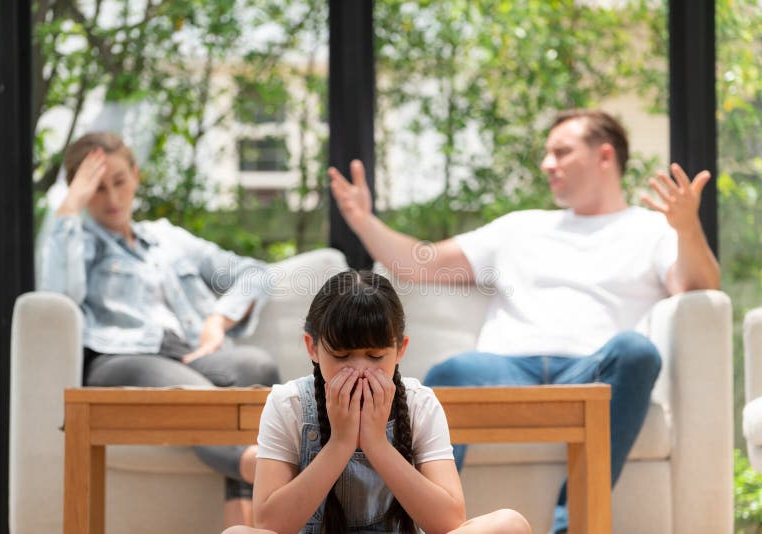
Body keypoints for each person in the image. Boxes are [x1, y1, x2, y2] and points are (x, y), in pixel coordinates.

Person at [326, 109, 720, 534]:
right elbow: (421, 263)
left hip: (594, 371)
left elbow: (699, 286)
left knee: (637, 352)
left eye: (560, 152)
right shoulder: (519, 228)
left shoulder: (652, 229)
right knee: (453, 370)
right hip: (505, 368)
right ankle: (413, 522)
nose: (547, 164)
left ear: (604, 155)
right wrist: (363, 221)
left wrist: (687, 228)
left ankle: (570, 528)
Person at [39, 131, 281, 527]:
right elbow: (58, 299)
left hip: (187, 353)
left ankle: (244, 526)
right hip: (120, 358)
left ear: (136, 175)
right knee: (196, 395)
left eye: (119, 182)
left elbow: (255, 273)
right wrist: (69, 208)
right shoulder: (77, 241)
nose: (113, 199)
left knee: (256, 367)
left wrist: (218, 319)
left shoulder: (169, 239)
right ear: (81, 192)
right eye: (97, 189)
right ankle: (266, 469)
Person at [224, 270, 532, 534]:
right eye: (342, 356)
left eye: (375, 356)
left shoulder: (419, 404)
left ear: (400, 350)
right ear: (313, 348)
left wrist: (376, 444)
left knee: (510, 524)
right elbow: (270, 524)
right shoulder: (288, 403)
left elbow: (448, 521)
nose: (359, 370)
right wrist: (341, 443)